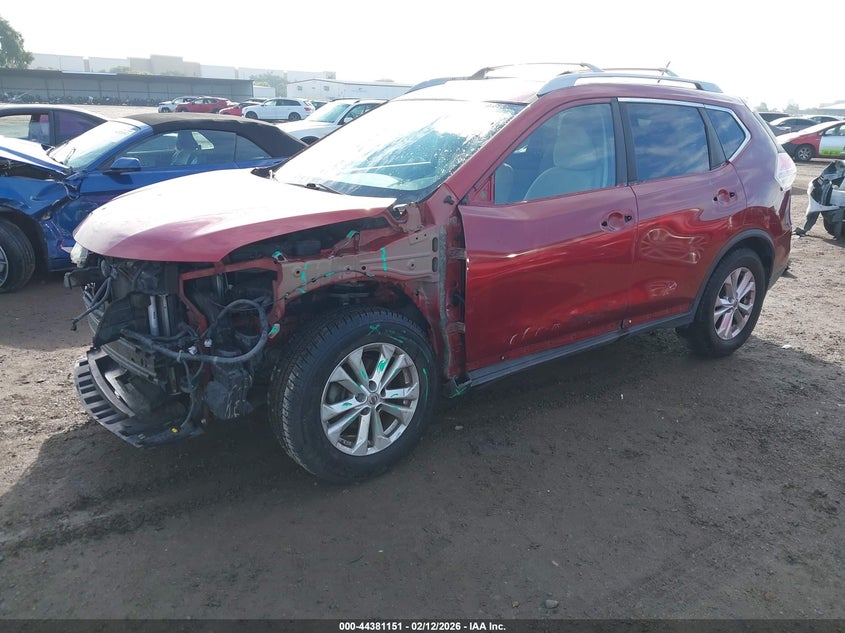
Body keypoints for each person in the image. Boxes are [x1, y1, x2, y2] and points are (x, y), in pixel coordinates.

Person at [794, 160, 844, 240]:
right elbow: (816, 184)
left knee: (837, 215)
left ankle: (837, 236)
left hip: (835, 200)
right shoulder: (826, 175)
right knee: (813, 214)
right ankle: (805, 229)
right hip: (822, 199)